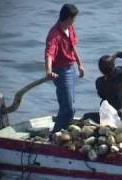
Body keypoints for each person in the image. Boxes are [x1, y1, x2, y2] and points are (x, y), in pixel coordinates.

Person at [45, 4, 84, 133]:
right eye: (73, 18)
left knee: (68, 106)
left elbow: (73, 47)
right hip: (60, 71)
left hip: (71, 68)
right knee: (69, 109)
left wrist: (80, 64)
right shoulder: (54, 34)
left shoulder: (70, 28)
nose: (74, 21)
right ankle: (56, 134)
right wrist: (49, 71)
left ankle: (62, 131)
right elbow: (49, 54)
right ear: (67, 18)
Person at [95, 51, 122, 117]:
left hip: (109, 113)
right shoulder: (119, 73)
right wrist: (118, 54)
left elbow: (101, 96)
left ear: (100, 69)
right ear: (113, 65)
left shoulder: (99, 82)